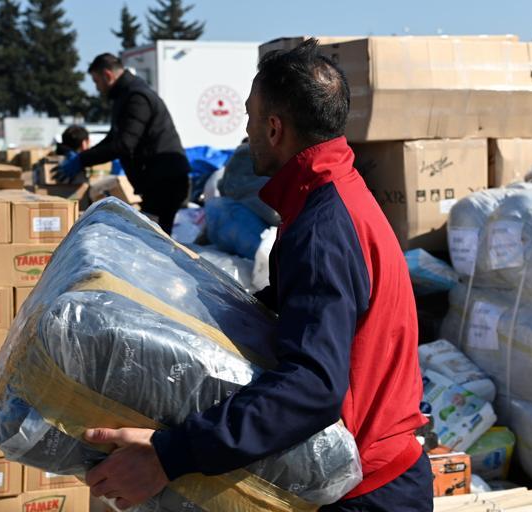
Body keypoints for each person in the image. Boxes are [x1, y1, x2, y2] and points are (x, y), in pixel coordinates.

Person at [82, 39, 431, 511]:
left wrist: (170, 457)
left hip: (370, 492)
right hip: (376, 476)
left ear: (273, 128)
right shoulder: (332, 195)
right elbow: (302, 309)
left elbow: (312, 385)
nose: (244, 132)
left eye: (248, 116)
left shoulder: (322, 227)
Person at [55, 53, 190, 233]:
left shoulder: (136, 97)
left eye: (96, 82)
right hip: (158, 181)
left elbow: (125, 144)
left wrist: (81, 160)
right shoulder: (126, 96)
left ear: (108, 75)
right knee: (152, 239)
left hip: (165, 182)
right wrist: (82, 157)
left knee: (154, 242)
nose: (97, 88)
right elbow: (113, 138)